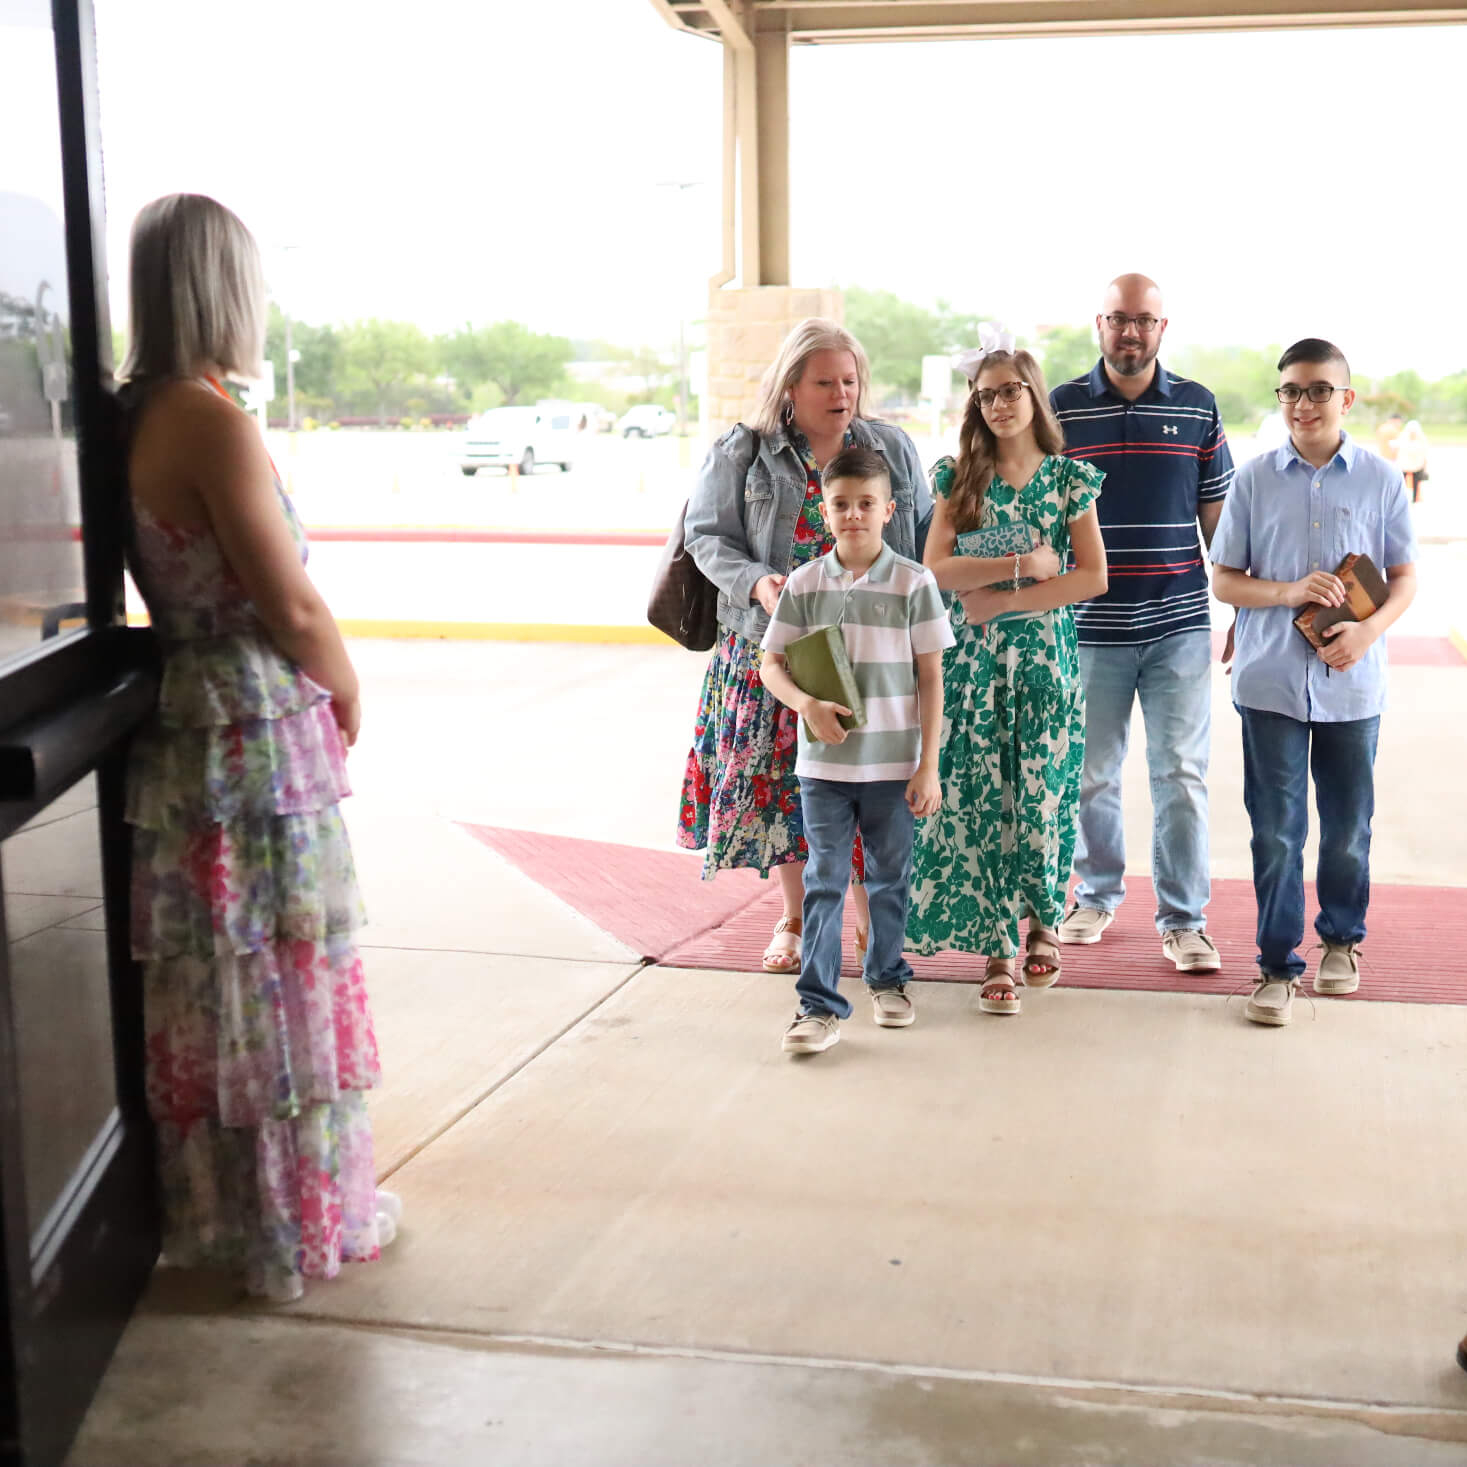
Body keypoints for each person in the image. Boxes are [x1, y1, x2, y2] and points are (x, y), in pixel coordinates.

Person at [118, 194, 394, 1302]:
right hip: (252, 726)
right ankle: (290, 1217)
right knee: (281, 973)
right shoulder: (207, 417)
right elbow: (286, 599)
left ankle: (216, 1208)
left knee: (213, 979)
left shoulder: (135, 409)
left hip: (187, 719)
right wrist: (347, 682)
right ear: (225, 286)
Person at [677, 319, 933, 975]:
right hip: (777, 651)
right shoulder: (743, 451)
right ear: (791, 385)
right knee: (784, 795)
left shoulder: (892, 448)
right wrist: (756, 581)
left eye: (849, 380)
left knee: (870, 788)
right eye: (825, 381)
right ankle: (791, 918)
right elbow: (706, 536)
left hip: (873, 658)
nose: (841, 392)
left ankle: (869, 921)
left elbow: (923, 537)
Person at [1210, 338, 1416, 1026]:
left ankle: (1339, 940)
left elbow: (1403, 577)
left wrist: (1366, 631)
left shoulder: (1381, 480)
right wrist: (1289, 589)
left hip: (1352, 689)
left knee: (1347, 828)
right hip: (1268, 682)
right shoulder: (1253, 478)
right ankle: (1274, 964)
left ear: (1344, 398)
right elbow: (1223, 578)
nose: (1302, 403)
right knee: (1274, 831)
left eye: (1317, 390)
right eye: (1290, 391)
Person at [906, 334, 1107, 1014]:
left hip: (1046, 659)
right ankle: (996, 947)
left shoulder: (1066, 478)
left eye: (1009, 390)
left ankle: (1043, 924)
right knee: (982, 800)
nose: (997, 404)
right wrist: (1021, 561)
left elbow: (1091, 576)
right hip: (971, 663)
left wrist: (1005, 594)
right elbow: (935, 570)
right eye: (984, 394)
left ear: (1032, 394)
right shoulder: (958, 478)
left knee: (1043, 796)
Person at [1050, 274, 1234, 973]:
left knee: (1180, 774)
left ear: (1163, 329)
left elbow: (1219, 523)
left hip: (1178, 624)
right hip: (1087, 628)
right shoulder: (1058, 409)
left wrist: (1240, 608)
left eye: (1144, 321)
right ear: (1099, 324)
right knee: (1089, 775)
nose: (1130, 332)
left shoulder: (1196, 407)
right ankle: (1094, 894)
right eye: (1118, 319)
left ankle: (1184, 919)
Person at [759, 446, 952, 1053]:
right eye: (840, 504)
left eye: (866, 504)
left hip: (894, 768)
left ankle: (888, 980)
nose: (853, 515)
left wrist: (929, 765)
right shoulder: (807, 584)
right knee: (825, 879)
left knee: (891, 878)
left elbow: (931, 678)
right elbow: (771, 664)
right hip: (824, 767)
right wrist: (805, 705)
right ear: (825, 508)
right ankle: (817, 1007)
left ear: (889, 509)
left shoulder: (914, 582)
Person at [1393, 418, 1430, 503]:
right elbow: (1398, 448)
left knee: (1416, 483)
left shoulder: (1421, 439)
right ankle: (1402, 499)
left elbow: (1424, 452)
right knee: (1402, 483)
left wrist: (1425, 465)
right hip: (1404, 464)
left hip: (1417, 465)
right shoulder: (1403, 437)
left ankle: (1414, 499)